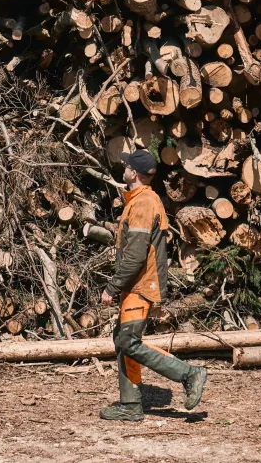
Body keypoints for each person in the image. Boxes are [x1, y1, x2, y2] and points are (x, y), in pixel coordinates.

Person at [99, 149, 207, 422]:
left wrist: (112, 287)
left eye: (126, 165)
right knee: (122, 341)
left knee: (128, 341)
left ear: (133, 173)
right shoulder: (138, 199)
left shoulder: (144, 203)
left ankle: (188, 373)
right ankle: (131, 405)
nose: (123, 167)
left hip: (141, 285)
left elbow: (135, 255)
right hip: (136, 284)